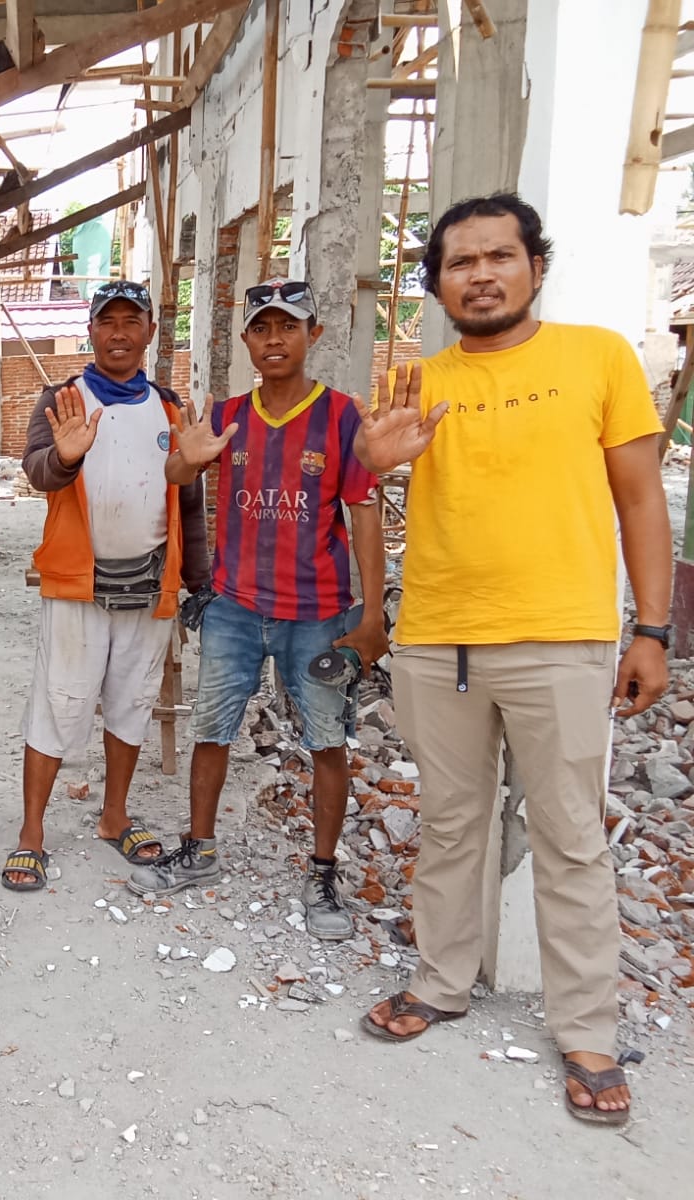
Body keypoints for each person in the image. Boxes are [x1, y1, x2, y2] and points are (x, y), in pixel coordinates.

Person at [355, 194, 670, 1126]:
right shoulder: (420, 381)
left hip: (561, 638)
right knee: (451, 824)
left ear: (536, 266)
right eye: (461, 262)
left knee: (570, 837)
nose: (482, 274)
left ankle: (588, 1031)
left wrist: (652, 629)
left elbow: (640, 499)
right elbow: (366, 484)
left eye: (500, 256)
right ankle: (441, 981)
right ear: (437, 284)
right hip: (438, 638)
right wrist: (375, 461)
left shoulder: (598, 358)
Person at [127, 279, 387, 942]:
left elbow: (364, 515)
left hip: (317, 613)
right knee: (212, 730)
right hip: (236, 609)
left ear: (312, 335)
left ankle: (323, 873)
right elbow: (179, 476)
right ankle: (200, 849)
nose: (275, 339)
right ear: (245, 339)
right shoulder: (227, 415)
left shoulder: (342, 417)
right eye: (262, 328)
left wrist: (371, 616)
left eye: (289, 327)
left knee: (326, 743)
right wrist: (186, 463)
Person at [3, 280, 210, 891]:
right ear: (90, 330)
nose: (119, 333)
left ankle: (114, 815)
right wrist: (66, 457)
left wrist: (198, 581)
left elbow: (188, 501)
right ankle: (31, 833)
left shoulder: (168, 407)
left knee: (133, 701)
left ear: (150, 332)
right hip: (78, 584)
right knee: (58, 703)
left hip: (149, 583)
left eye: (131, 321)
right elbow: (38, 472)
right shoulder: (63, 399)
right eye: (107, 322)